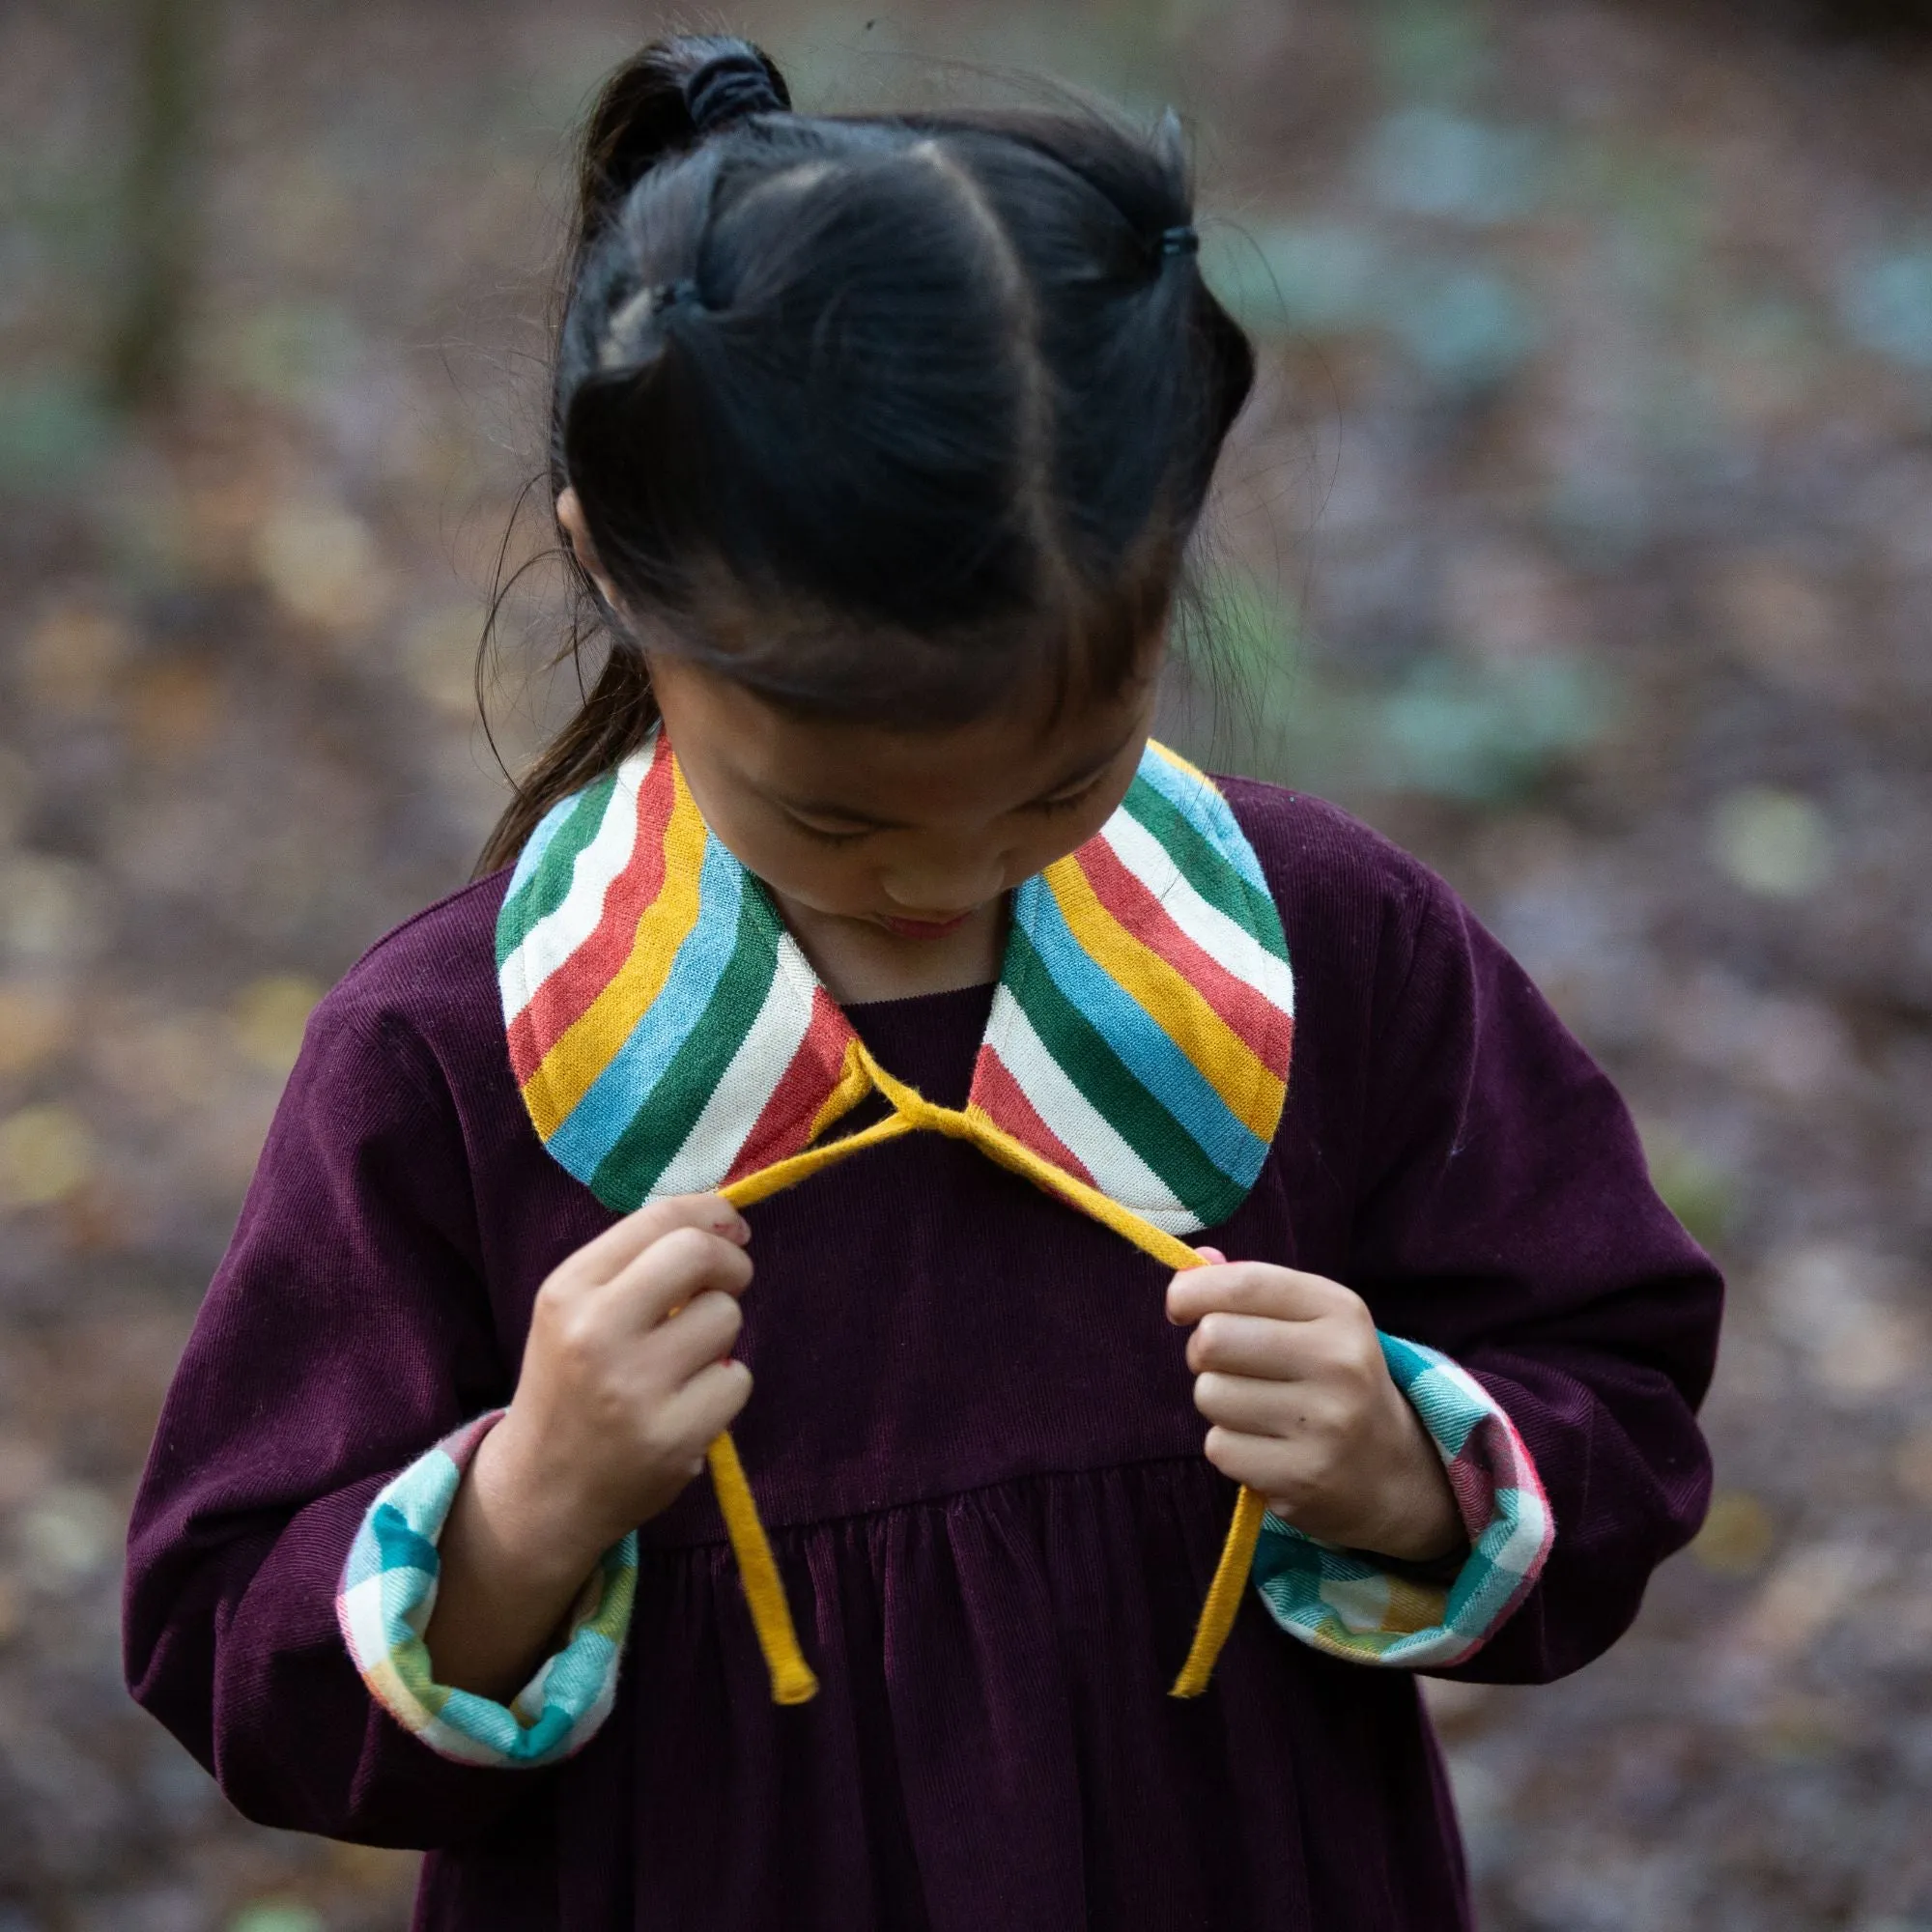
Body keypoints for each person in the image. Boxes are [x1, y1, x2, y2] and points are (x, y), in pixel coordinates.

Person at [123, 34, 1722, 1931]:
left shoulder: (1319, 952)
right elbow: (229, 1639)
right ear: (614, 574)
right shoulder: (456, 1062)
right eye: (841, 813)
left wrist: (1404, 1461)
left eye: (1057, 781)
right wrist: (530, 1499)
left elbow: (1614, 1371)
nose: (949, 874)